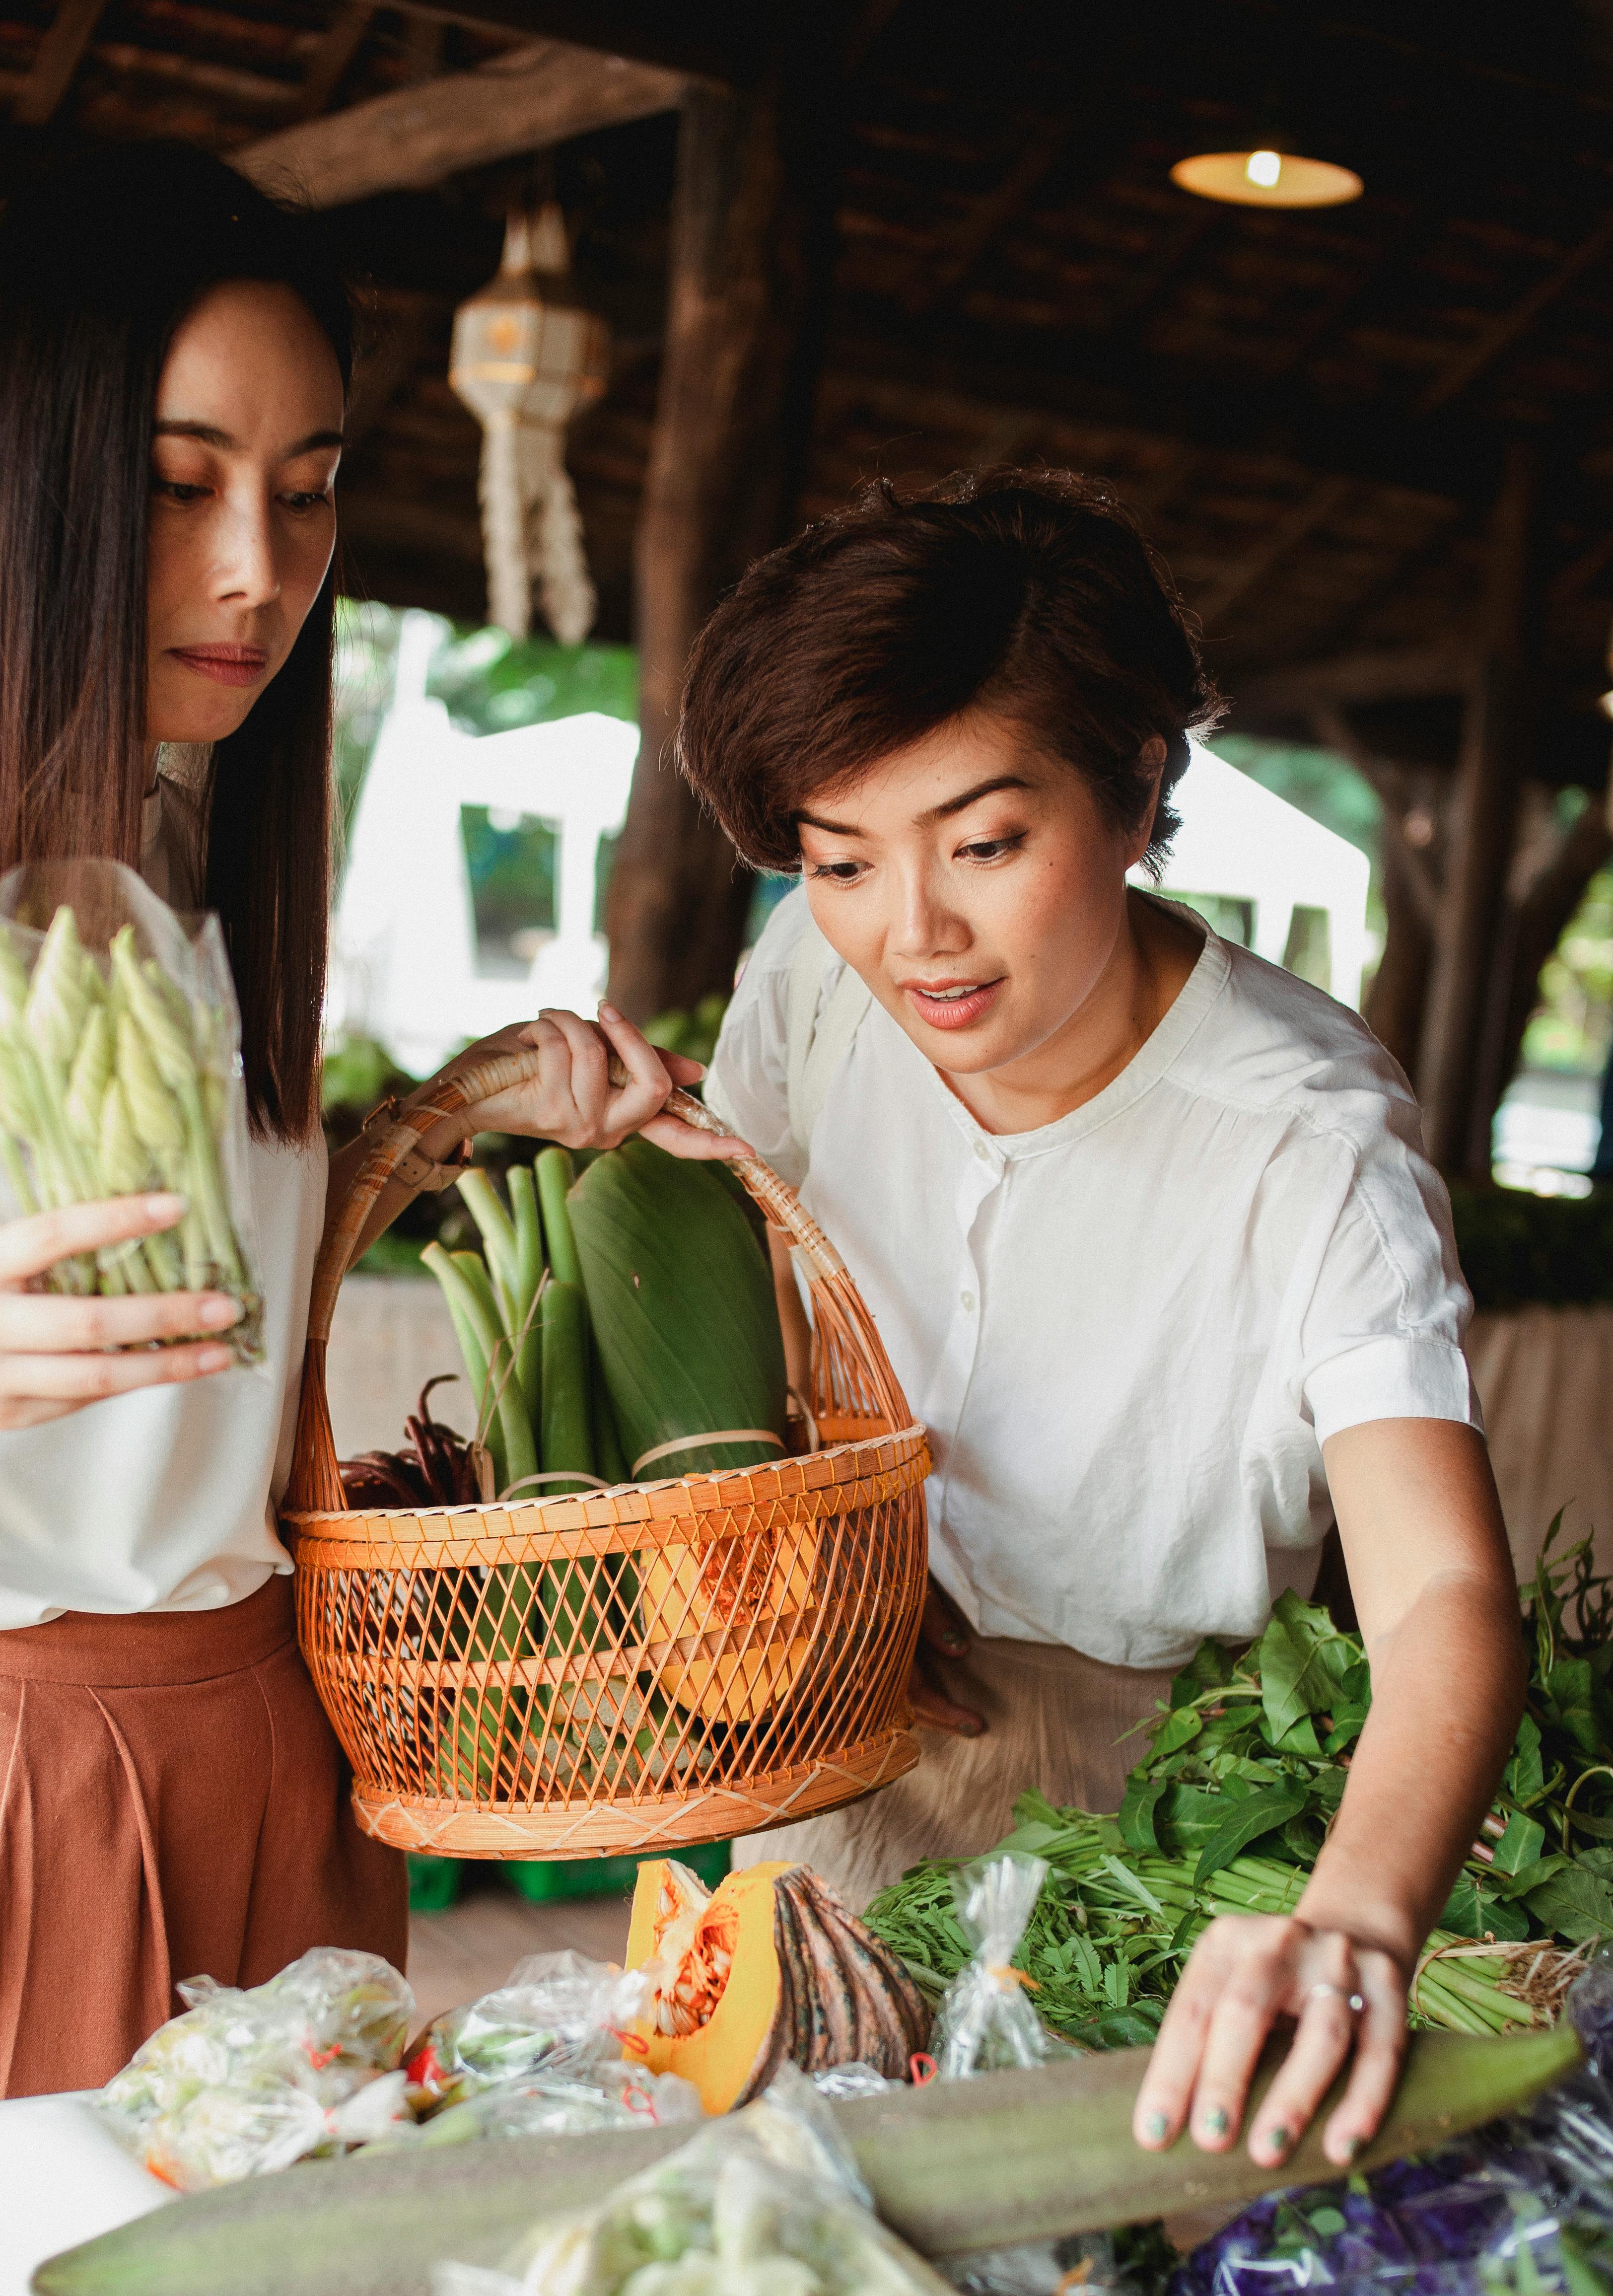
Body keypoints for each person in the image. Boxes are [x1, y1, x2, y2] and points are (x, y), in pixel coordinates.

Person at [684, 472, 1525, 2173]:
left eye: (984, 845)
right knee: (778, 2207)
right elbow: (756, 1262)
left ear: (1139, 788)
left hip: (1148, 1795)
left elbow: (1441, 1587)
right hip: (840, 1721)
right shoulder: (809, 977)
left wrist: (1355, 1922)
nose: (909, 932)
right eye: (840, 859)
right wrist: (838, 1546)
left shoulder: (1305, 1144)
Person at [0, 144, 722, 2098]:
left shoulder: (181, 827)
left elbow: (221, 1305)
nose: (263, 564)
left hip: (270, 1724)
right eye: (180, 482)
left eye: (308, 492)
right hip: (39, 1780)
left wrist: (462, 1104)